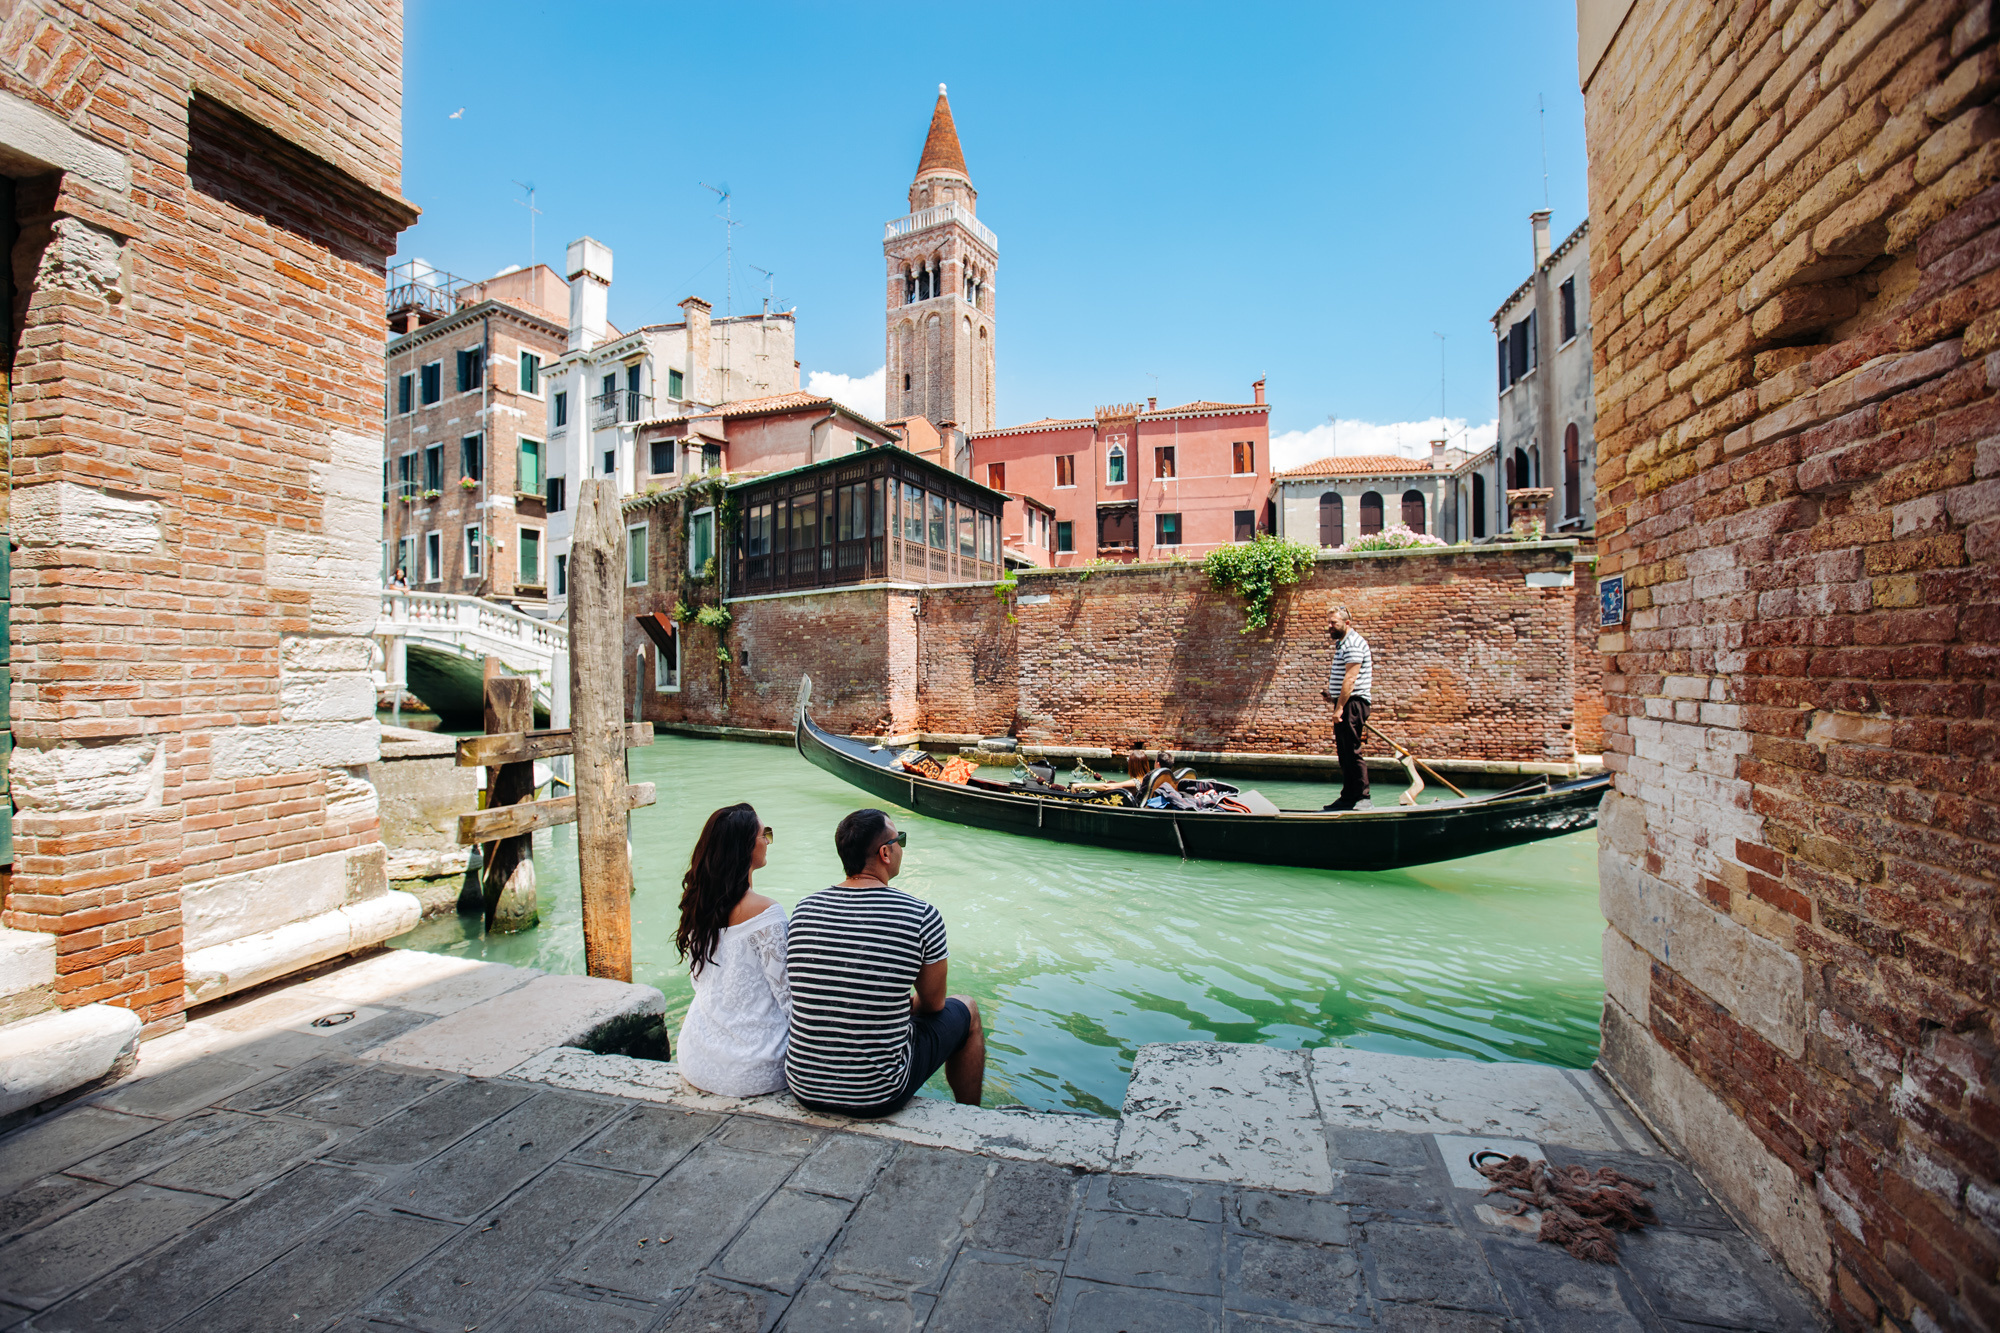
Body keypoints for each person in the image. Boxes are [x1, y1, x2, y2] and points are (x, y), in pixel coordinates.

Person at [784, 809, 984, 1116]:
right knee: (967, 1008)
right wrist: (897, 1003)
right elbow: (934, 1004)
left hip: (804, 1085)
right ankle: (973, 1116)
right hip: (877, 1094)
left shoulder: (803, 909)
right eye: (899, 839)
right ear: (885, 852)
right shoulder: (921, 915)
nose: (902, 845)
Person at [673, 803, 791, 1097]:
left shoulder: (700, 906)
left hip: (696, 1057)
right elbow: (789, 998)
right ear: (745, 848)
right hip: (755, 1069)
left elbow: (699, 980)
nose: (767, 841)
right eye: (764, 834)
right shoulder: (768, 915)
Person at [1322, 604, 1373, 811]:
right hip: (1347, 703)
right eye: (1329, 623)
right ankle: (1348, 797)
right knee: (1344, 753)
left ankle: (1362, 797)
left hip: (1353, 704)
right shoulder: (1343, 644)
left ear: (1347, 623)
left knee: (1351, 751)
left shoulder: (1352, 643)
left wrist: (1339, 708)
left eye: (1333, 623)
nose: (1329, 626)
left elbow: (1351, 679)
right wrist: (1333, 697)